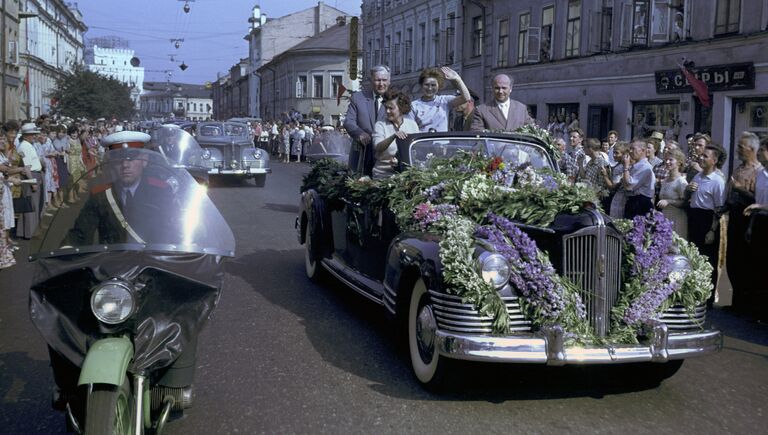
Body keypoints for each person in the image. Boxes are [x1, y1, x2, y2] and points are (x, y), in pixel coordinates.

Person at [64, 131, 175, 246]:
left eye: (131, 158)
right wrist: (66, 250)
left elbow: (174, 232)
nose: (125, 165)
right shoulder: (101, 195)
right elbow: (79, 234)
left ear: (144, 160)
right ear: (111, 163)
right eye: (118, 159)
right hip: (112, 261)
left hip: (152, 261)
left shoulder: (160, 191)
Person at [726, 132, 763, 310]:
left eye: (741, 147)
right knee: (732, 259)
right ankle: (736, 300)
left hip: (748, 218)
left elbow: (758, 199)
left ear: (752, 149)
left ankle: (748, 303)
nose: (738, 150)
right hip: (733, 216)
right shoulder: (738, 169)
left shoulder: (759, 171)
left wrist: (740, 190)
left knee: (746, 260)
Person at [687, 144, 726, 302]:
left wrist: (712, 230)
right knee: (694, 256)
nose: (700, 158)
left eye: (705, 156)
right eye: (701, 155)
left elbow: (719, 208)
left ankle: (707, 298)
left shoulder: (717, 181)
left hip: (708, 219)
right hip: (695, 216)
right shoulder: (698, 176)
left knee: (708, 258)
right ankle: (694, 293)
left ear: (714, 160)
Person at [344, 65, 391, 175]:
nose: (381, 84)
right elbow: (349, 121)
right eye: (377, 80)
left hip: (386, 154)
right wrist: (359, 133)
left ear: (389, 81)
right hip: (362, 152)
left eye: (384, 80)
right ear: (371, 81)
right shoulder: (358, 98)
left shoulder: (394, 99)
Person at [371, 90, 419, 179]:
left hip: (406, 174)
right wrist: (393, 136)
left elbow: (416, 150)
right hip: (383, 175)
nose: (388, 111)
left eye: (391, 108)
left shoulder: (412, 124)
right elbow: (377, 147)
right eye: (386, 108)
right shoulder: (380, 125)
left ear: (401, 108)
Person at [409, 66, 471, 132]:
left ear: (439, 86)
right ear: (421, 85)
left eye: (433, 85)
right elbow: (410, 128)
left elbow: (466, 98)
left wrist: (458, 80)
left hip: (441, 141)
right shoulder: (414, 105)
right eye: (426, 85)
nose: (430, 88)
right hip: (422, 141)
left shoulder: (444, 101)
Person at [16, 123, 44, 239]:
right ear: (27, 135)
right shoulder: (24, 146)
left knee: (34, 204)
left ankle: (28, 230)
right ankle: (30, 232)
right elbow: (27, 167)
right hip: (31, 175)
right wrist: (32, 182)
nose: (35, 136)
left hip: (36, 174)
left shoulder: (29, 145)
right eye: (33, 134)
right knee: (31, 205)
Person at [656, 149, 689, 238]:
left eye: (671, 160)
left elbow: (684, 203)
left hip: (676, 218)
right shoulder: (666, 180)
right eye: (666, 159)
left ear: (679, 163)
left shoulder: (681, 182)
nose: (667, 162)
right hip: (665, 216)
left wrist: (669, 201)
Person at [622, 139, 656, 219]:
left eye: (633, 149)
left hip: (640, 204)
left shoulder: (645, 167)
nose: (630, 151)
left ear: (642, 150)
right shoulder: (637, 165)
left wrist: (626, 167)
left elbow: (629, 185)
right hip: (633, 202)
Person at [577, 138, 610, 208]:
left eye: (585, 147)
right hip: (588, 198)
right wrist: (580, 163)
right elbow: (584, 177)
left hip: (596, 201)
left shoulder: (602, 163)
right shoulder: (590, 162)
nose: (583, 149)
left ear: (590, 149)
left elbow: (601, 186)